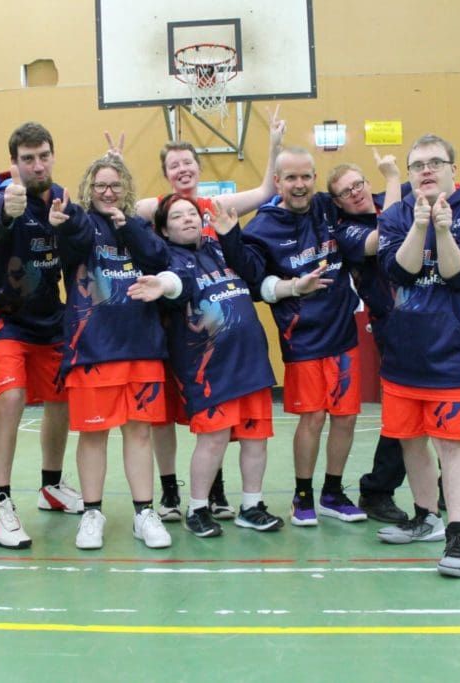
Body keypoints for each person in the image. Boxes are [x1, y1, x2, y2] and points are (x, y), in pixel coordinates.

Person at [106, 107, 286, 522]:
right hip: (177, 327)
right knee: (173, 419)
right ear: (166, 173)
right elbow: (123, 210)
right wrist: (117, 168)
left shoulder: (215, 208)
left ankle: (220, 494)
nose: (182, 169)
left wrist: (274, 146)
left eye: (188, 161)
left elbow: (264, 192)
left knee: (223, 425)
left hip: (225, 332)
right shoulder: (156, 209)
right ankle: (174, 492)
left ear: (198, 166)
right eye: (174, 164)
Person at [130, 196, 328, 537]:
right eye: (177, 217)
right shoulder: (170, 258)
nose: (188, 219)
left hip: (251, 362)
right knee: (213, 440)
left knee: (256, 439)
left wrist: (293, 285)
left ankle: (251, 506)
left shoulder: (222, 249)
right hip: (209, 369)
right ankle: (197, 508)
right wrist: (161, 285)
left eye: (192, 213)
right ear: (163, 230)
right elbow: (175, 282)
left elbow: (257, 280)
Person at [322, 159, 460, 524]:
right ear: (337, 202)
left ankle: (454, 489)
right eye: (346, 192)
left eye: (359, 184)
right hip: (394, 326)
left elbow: (431, 193)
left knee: (452, 414)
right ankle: (378, 489)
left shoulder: (396, 203)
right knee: (403, 421)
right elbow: (387, 235)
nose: (356, 193)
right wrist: (394, 176)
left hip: (438, 324)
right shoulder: (348, 230)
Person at [221, 146, 378, 529]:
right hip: (302, 339)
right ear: (277, 182)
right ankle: (302, 496)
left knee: (346, 417)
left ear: (314, 178)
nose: (299, 184)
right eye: (291, 177)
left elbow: (366, 213)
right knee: (313, 417)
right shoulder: (261, 228)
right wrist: (230, 236)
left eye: (306, 176)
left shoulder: (328, 207)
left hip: (343, 334)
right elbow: (254, 282)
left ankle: (332, 493)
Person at [373, 134, 460, 579]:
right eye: (417, 165)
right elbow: (398, 271)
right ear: (409, 174)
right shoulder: (395, 215)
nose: (426, 170)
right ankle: (426, 516)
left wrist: (443, 231)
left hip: (453, 355)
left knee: (451, 444)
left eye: (435, 162)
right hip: (403, 353)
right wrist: (419, 226)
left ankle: (459, 534)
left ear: (452, 170)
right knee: (410, 440)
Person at [47, 156, 172, 550]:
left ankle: (144, 513)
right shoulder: (82, 224)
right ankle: (92, 513)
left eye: (115, 185)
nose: (107, 192)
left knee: (139, 432)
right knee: (93, 434)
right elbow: (74, 236)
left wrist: (128, 225)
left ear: (126, 189)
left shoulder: (137, 226)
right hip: (93, 349)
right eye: (100, 185)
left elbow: (160, 258)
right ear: (89, 189)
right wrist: (65, 216)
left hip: (142, 347)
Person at [0, 122, 82, 550]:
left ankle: (51, 486)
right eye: (27, 159)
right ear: (14, 163)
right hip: (4, 318)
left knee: (62, 399)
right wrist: (9, 206)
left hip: (49, 319)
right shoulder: (2, 196)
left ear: (52, 156)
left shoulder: (62, 201)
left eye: (43, 156)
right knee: (12, 398)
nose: (37, 165)